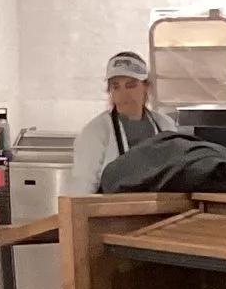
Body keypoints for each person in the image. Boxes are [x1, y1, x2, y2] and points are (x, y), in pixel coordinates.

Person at [67, 51, 180, 195]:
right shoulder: (95, 132)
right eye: (116, 86)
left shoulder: (165, 125)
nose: (123, 93)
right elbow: (81, 189)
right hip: (111, 214)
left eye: (130, 85)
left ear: (146, 87)